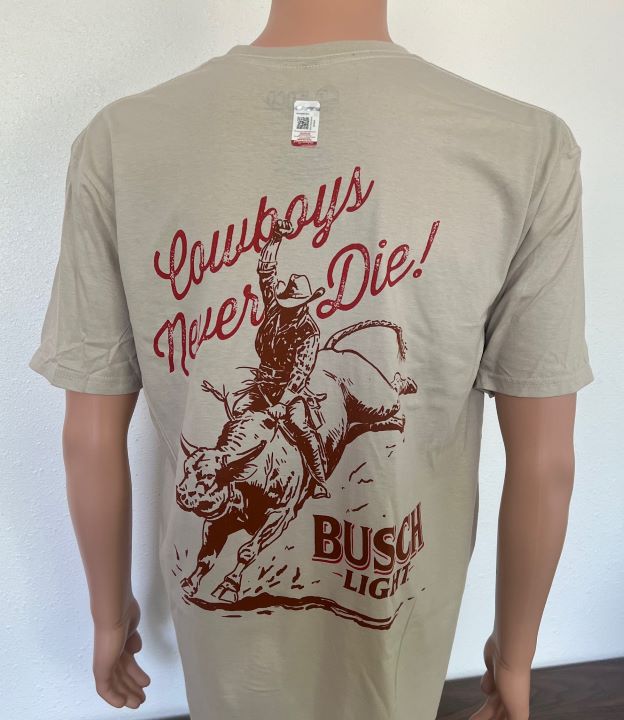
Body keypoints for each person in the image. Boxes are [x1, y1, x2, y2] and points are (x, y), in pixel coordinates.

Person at [28, 1, 595, 719]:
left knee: (279, 427)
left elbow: (87, 438)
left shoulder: (122, 140)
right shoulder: (524, 146)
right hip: (396, 644)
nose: (289, 296)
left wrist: (108, 616)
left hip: (279, 422)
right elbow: (548, 463)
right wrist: (515, 656)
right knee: (240, 432)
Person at [230, 217, 331, 499]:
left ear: (305, 304)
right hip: (262, 383)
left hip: (288, 390)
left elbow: (300, 372)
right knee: (237, 414)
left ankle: (319, 480)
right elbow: (266, 272)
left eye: (295, 304)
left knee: (300, 427)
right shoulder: (275, 308)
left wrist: (283, 403)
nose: (289, 307)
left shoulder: (309, 331)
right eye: (287, 301)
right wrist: (275, 238)